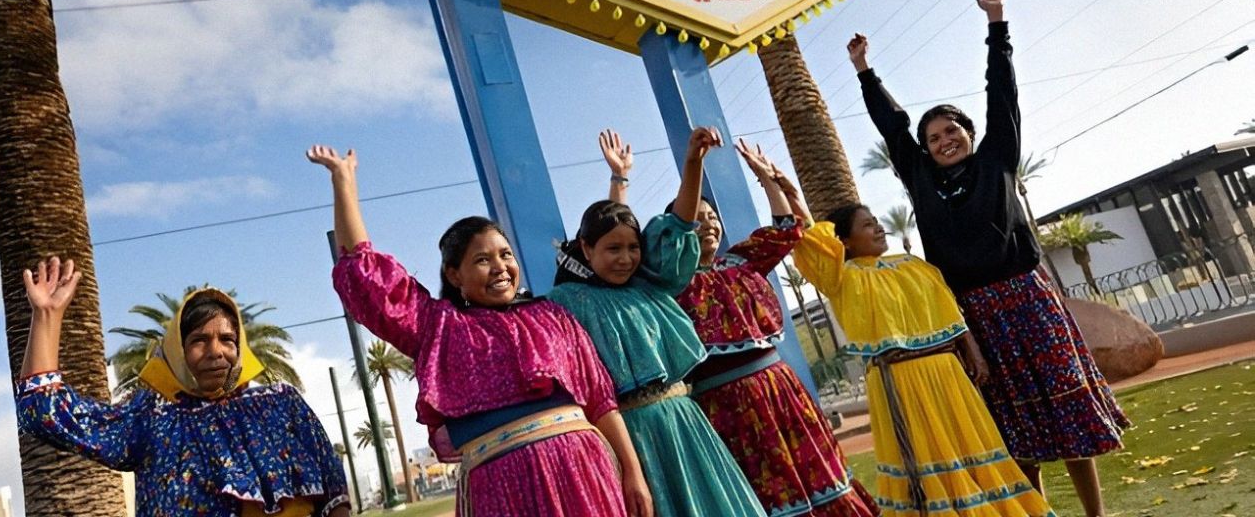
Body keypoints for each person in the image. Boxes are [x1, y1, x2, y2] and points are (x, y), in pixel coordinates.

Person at [849, 0, 1128, 516]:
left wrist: (996, 22)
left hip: (1027, 300)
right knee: (1014, 424)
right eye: (933, 137)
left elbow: (1003, 93)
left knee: (1064, 409)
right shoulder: (920, 177)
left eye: (951, 130)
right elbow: (892, 126)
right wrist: (866, 72)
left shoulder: (997, 157)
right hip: (974, 315)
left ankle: (1096, 514)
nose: (943, 140)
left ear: (970, 134)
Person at [306, 145, 651, 517]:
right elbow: (367, 274)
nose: (500, 267)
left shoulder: (554, 317)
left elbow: (601, 401)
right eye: (482, 260)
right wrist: (344, 182)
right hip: (500, 489)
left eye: (505, 255)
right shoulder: (438, 327)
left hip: (582, 473)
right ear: (455, 275)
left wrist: (633, 473)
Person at [650, 138, 877, 517]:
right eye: (697, 219)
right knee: (764, 493)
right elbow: (678, 227)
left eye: (713, 218)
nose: (708, 224)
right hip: (723, 405)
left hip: (779, 388)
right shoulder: (671, 282)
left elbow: (788, 229)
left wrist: (767, 179)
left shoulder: (741, 260)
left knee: (819, 470)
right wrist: (694, 164)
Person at [16, 258, 350, 517]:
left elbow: (335, 495)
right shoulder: (151, 416)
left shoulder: (281, 405)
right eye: (199, 341)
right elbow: (43, 413)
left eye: (228, 340)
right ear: (177, 348)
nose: (216, 351)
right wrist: (47, 316)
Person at [550, 128, 766, 517]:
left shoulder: (648, 284)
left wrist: (692, 163)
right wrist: (617, 184)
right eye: (613, 250)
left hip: (684, 421)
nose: (626, 258)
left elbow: (680, 224)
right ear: (585, 248)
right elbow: (608, 229)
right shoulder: (568, 302)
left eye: (633, 249)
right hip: (632, 438)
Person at [793, 203, 1056, 517]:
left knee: (971, 450)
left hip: (947, 374)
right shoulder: (841, 277)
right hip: (898, 380)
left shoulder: (914, 266)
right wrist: (785, 190)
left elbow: (949, 308)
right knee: (923, 465)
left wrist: (973, 352)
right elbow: (812, 238)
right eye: (867, 225)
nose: (878, 227)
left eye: (877, 221)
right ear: (844, 242)